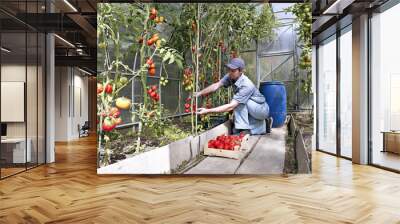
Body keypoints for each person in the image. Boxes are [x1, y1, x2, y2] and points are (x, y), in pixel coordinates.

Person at [196, 57, 272, 135]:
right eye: (229, 69)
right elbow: (216, 85)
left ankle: (244, 129)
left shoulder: (246, 85)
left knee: (238, 103)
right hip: (252, 108)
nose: (230, 72)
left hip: (261, 109)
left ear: (241, 71)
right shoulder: (231, 76)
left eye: (233, 70)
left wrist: (207, 111)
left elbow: (231, 106)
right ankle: (265, 124)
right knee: (238, 128)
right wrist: (199, 93)